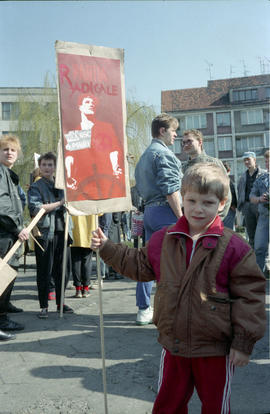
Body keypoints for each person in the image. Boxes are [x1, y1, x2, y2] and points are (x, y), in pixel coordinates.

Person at [91, 163, 266, 414]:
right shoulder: (165, 238)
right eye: (192, 200)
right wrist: (107, 247)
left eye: (207, 202)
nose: (197, 208)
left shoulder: (235, 247)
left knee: (215, 406)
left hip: (215, 349)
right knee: (167, 406)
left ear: (222, 203)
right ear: (182, 197)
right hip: (174, 345)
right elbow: (139, 264)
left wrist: (243, 341)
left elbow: (250, 297)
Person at [134, 113, 183, 325]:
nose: (176, 136)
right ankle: (172, 310)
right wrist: (182, 217)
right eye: (173, 131)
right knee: (174, 264)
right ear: (162, 131)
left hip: (150, 213)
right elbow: (171, 189)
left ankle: (144, 308)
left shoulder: (145, 156)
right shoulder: (163, 154)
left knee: (149, 261)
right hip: (166, 211)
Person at [28, 152, 74, 319]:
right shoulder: (36, 186)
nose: (47, 168)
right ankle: (43, 306)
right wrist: (60, 204)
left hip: (64, 232)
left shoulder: (62, 186)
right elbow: (36, 208)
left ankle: (61, 303)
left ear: (56, 167)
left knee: (63, 270)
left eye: (51, 165)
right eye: (44, 165)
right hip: (46, 234)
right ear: (39, 167)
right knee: (44, 271)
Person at [63, 94, 125, 201]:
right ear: (80, 107)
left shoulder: (106, 127)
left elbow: (113, 150)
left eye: (93, 103)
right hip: (83, 185)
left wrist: (115, 168)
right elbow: (70, 157)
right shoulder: (77, 132)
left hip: (106, 185)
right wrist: (69, 176)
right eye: (87, 102)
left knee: (106, 215)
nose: (91, 104)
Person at [0, 135, 29, 341]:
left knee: (9, 273)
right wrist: (17, 226)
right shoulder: (0, 173)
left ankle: (4, 309)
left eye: (13, 150)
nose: (9, 153)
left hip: (9, 233)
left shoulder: (8, 174)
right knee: (2, 276)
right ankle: (1, 319)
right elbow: (2, 205)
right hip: (4, 234)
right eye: (5, 149)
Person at [181, 129, 232, 221]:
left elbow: (226, 193)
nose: (185, 145)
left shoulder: (213, 163)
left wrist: (219, 217)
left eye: (189, 141)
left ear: (200, 142)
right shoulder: (183, 168)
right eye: (183, 142)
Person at [237, 151, 266, 248]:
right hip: (247, 207)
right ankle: (253, 257)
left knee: (262, 233)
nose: (246, 162)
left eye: (248, 159)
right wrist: (241, 206)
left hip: (260, 206)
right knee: (251, 234)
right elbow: (240, 191)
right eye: (244, 160)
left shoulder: (264, 174)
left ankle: (264, 257)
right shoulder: (243, 177)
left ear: (254, 159)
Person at [250, 150, 270, 273]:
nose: (267, 163)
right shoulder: (261, 179)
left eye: (269, 160)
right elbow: (251, 197)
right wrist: (259, 199)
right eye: (267, 161)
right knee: (259, 248)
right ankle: (258, 277)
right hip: (264, 217)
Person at [71, 215, 97, 298]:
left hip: (75, 233)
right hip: (89, 233)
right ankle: (85, 289)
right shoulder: (93, 201)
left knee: (76, 262)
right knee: (87, 262)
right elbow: (100, 212)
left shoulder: (72, 200)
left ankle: (78, 289)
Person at [222, 161, 237, 230]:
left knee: (228, 229)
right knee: (228, 229)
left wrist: (233, 205)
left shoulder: (227, 181)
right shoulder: (226, 181)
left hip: (229, 208)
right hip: (228, 208)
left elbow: (232, 194)